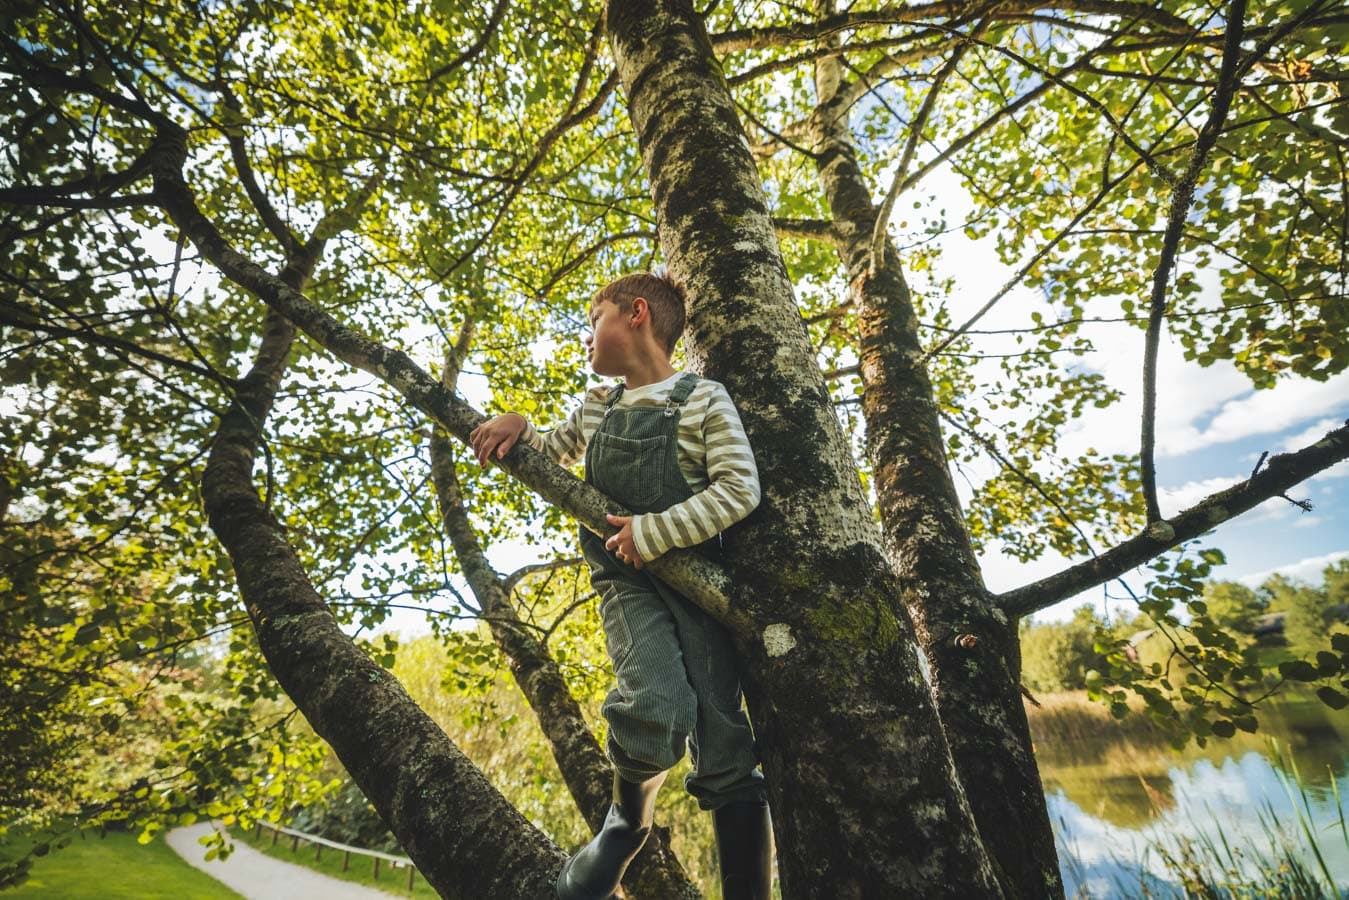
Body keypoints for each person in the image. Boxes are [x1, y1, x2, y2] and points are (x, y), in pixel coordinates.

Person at [469, 271, 773, 900]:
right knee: (654, 706)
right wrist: (517, 420)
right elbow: (549, 453)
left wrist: (655, 531)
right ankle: (625, 826)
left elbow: (740, 489)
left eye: (593, 317)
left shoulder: (702, 398)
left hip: (702, 587)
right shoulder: (597, 407)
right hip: (627, 584)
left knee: (725, 740)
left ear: (636, 315)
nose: (586, 336)